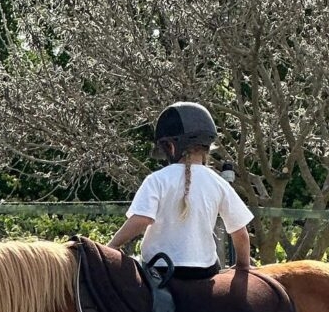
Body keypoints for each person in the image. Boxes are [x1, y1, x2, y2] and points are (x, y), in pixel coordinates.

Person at [107, 102, 253, 278]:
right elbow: (240, 231)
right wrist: (243, 265)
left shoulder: (157, 180)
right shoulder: (218, 183)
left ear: (171, 147)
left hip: (159, 270)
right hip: (205, 272)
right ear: (207, 146)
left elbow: (141, 219)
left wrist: (112, 246)